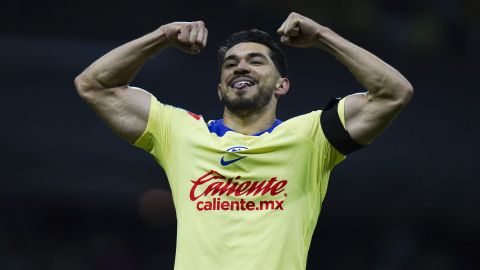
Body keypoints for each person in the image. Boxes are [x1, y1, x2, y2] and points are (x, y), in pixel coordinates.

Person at [74, 12, 413, 270]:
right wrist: (162, 37)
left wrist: (324, 36)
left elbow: (392, 93)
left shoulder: (310, 138)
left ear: (282, 85)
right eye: (230, 64)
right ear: (220, 88)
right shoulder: (180, 133)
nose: (240, 68)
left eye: (256, 61)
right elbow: (94, 85)